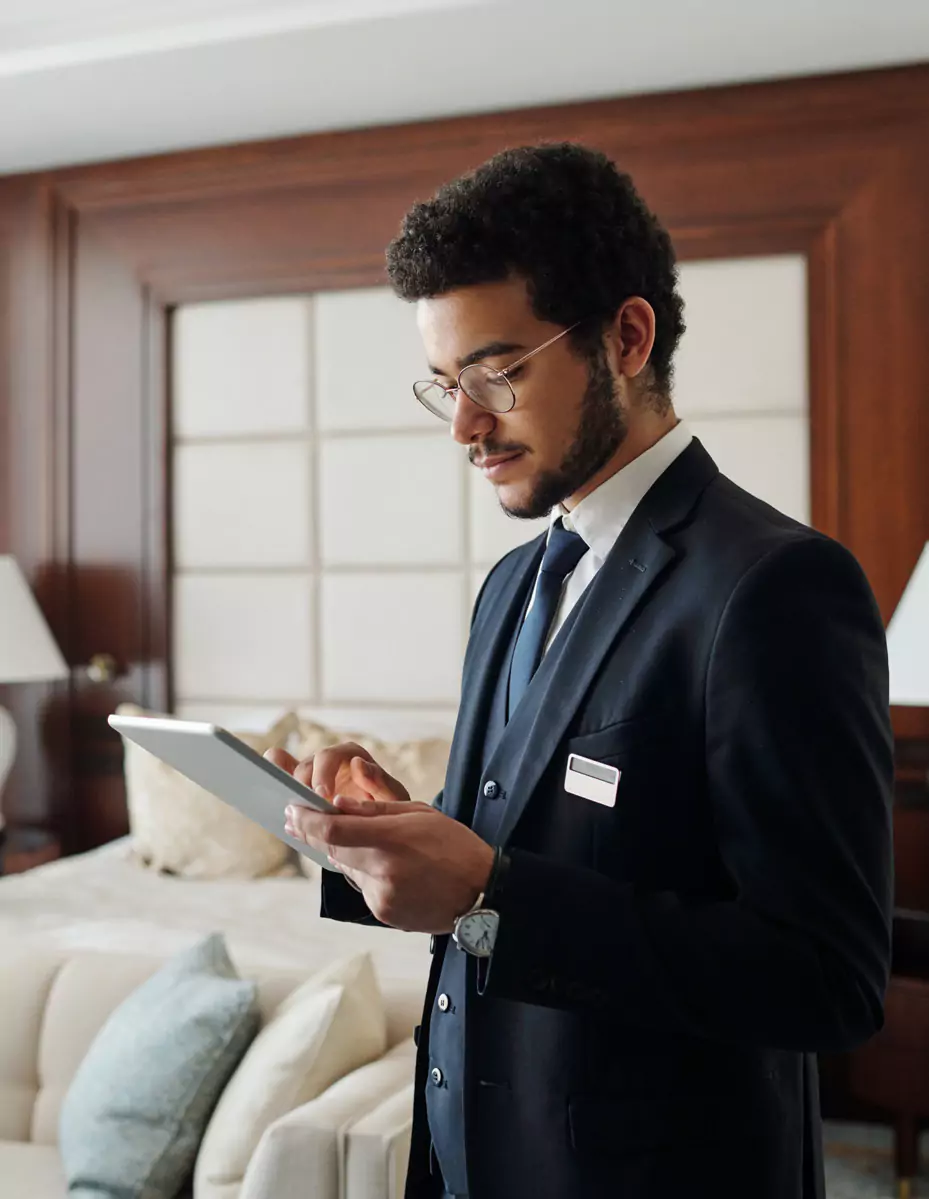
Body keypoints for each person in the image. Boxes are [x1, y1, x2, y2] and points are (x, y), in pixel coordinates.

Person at [267, 143, 894, 1199]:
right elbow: (503, 857)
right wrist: (393, 836)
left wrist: (486, 890)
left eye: (495, 372)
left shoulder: (775, 587)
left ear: (627, 336)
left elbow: (825, 980)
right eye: (444, 384)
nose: (463, 425)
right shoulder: (511, 585)